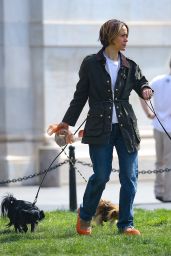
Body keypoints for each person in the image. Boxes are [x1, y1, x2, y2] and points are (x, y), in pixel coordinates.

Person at [47, 19, 153, 236]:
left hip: (126, 129)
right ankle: (85, 215)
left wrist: (145, 89)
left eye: (127, 34)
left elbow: (141, 81)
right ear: (110, 36)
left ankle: (126, 224)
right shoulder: (91, 63)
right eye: (122, 34)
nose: (126, 39)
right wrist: (67, 124)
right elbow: (80, 96)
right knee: (101, 176)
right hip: (99, 129)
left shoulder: (129, 65)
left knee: (130, 177)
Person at [140, 57, 171, 202]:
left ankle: (159, 191)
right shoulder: (159, 81)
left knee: (160, 161)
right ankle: (168, 195)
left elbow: (142, 94)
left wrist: (148, 113)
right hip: (168, 129)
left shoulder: (158, 80)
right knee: (169, 162)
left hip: (158, 126)